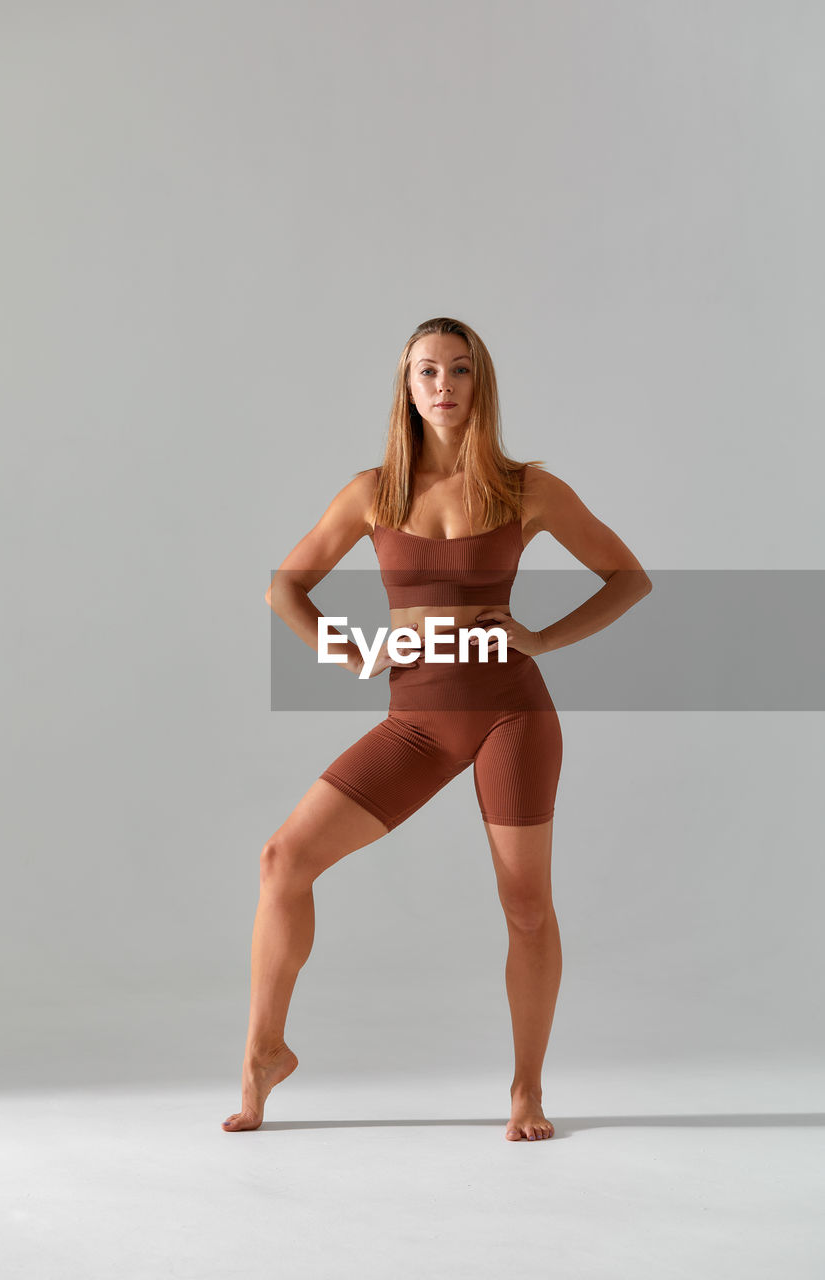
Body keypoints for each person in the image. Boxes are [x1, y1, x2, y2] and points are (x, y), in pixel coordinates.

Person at [222, 316, 651, 1141]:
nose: (444, 386)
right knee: (284, 859)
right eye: (428, 372)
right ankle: (263, 1051)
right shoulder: (372, 491)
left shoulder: (528, 489)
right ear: (407, 387)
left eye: (459, 370)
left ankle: (526, 1090)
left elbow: (627, 578)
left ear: (479, 383)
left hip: (510, 717)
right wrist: (346, 653)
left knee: (525, 909)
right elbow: (286, 586)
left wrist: (543, 637)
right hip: (416, 721)